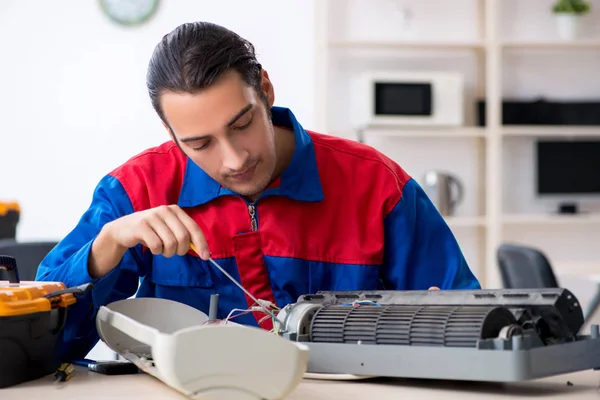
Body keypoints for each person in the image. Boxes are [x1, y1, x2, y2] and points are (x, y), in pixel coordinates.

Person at [36, 21, 480, 361]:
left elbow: (466, 329)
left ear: (264, 90)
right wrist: (108, 244)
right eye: (200, 144)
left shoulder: (377, 184)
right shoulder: (135, 190)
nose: (233, 160)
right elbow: (44, 343)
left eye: (242, 124)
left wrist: (440, 322)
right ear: (170, 134)